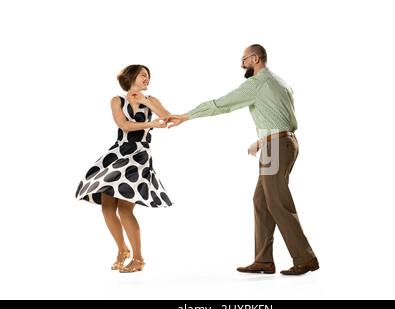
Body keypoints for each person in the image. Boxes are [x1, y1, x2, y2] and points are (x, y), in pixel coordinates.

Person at [165, 44, 318, 275]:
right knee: (261, 200)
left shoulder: (257, 84)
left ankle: (306, 258)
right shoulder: (280, 82)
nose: (241, 64)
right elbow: (284, 119)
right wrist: (262, 141)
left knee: (277, 202)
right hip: (281, 143)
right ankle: (264, 260)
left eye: (244, 59)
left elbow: (221, 104)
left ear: (255, 59)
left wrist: (185, 117)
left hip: (275, 147)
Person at [75, 65, 173, 273]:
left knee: (125, 209)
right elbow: (124, 125)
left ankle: (138, 259)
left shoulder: (151, 100)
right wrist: (152, 125)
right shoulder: (117, 100)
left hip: (139, 156)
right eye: (143, 74)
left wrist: (145, 101)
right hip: (118, 153)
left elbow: (167, 118)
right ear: (131, 77)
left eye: (149, 75)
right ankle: (122, 250)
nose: (147, 78)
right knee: (107, 206)